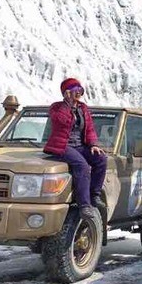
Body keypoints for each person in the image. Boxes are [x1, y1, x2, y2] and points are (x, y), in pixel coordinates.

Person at [43, 78, 107, 220]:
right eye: (75, 91)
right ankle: (84, 205)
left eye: (80, 90)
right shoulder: (56, 107)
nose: (79, 93)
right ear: (67, 92)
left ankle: (94, 195)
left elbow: (89, 128)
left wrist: (94, 145)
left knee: (101, 159)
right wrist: (68, 104)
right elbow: (61, 121)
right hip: (63, 145)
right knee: (82, 165)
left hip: (80, 146)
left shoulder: (83, 108)